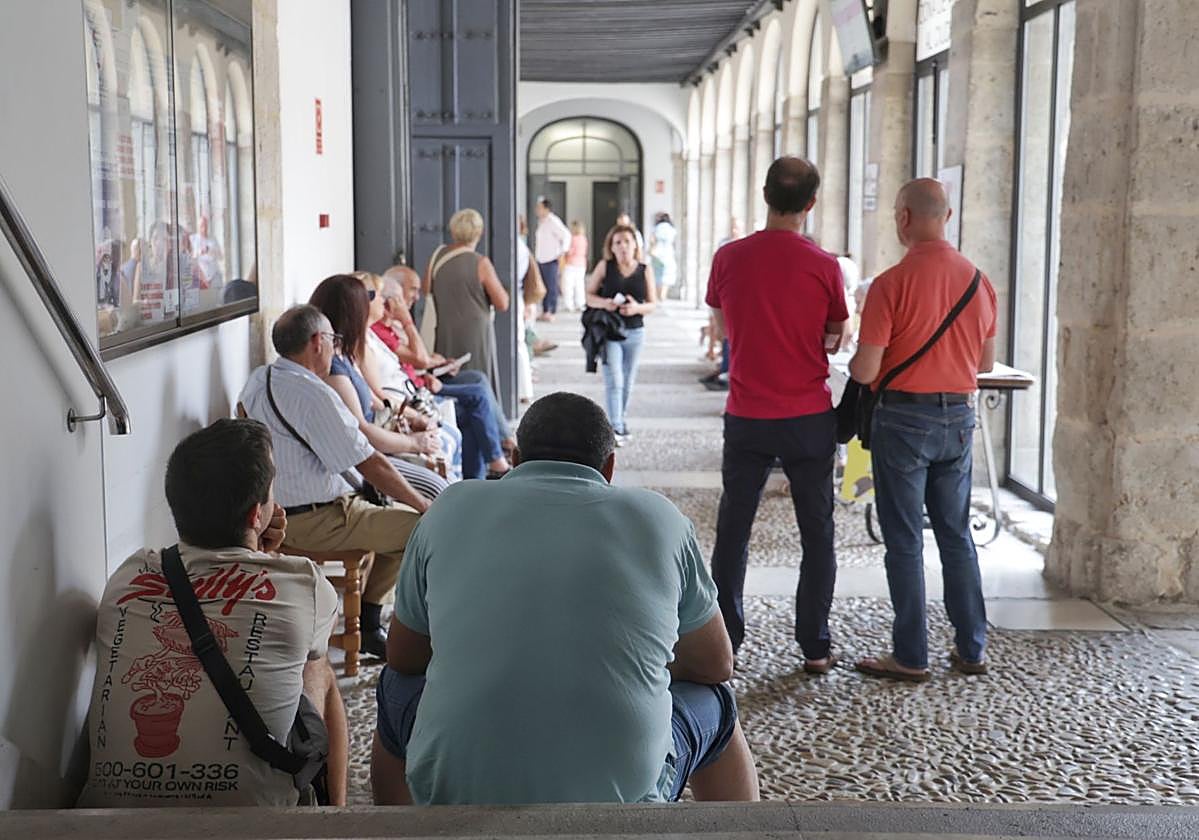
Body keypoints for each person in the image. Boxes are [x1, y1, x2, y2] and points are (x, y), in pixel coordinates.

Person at [371, 392, 760, 805]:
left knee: (395, 688)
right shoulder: (659, 517)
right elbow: (716, 664)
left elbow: (403, 657)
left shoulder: (449, 507)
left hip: (455, 790)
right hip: (625, 798)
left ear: (516, 459)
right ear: (609, 467)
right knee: (715, 703)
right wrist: (641, 659)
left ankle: (405, 828)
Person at [77, 418, 348, 807]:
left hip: (109, 818)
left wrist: (256, 555)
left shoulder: (128, 574)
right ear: (257, 514)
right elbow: (298, 632)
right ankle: (336, 821)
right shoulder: (304, 582)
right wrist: (266, 558)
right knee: (317, 666)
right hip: (249, 821)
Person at [849, 178, 997, 682]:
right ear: (948, 217)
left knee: (905, 540)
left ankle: (911, 655)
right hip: (958, 417)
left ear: (905, 218)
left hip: (904, 421)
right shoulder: (980, 281)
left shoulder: (890, 284)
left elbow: (866, 372)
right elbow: (986, 361)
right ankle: (971, 648)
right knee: (956, 536)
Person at [705, 157, 849, 673]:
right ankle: (814, 645)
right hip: (808, 414)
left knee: (734, 529)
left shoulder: (728, 258)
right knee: (817, 532)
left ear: (764, 194)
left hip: (746, 411)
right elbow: (836, 337)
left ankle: (726, 643)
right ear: (812, 204)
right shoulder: (825, 264)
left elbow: (721, 329)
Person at [239, 304, 428, 659]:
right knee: (422, 528)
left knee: (402, 519)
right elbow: (370, 462)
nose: (335, 347)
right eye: (333, 339)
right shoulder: (314, 394)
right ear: (317, 341)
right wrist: (423, 504)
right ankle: (376, 625)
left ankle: (372, 623)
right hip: (317, 519)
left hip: (275, 513)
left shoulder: (258, 379)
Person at [309, 274, 450, 500]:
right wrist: (414, 443)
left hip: (375, 448)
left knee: (442, 469)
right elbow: (362, 431)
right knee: (437, 489)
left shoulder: (343, 354)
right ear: (354, 313)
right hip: (365, 461)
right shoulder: (333, 369)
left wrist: (411, 419)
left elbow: (378, 401)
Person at [382, 264, 517, 460]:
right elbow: (417, 360)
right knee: (477, 397)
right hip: (419, 391)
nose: (416, 296)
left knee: (478, 378)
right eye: (413, 289)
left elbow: (416, 361)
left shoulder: (393, 324)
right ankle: (500, 453)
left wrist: (436, 363)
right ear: (394, 296)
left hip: (423, 381)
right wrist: (407, 322)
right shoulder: (388, 327)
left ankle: (500, 448)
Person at [423, 208, 510, 392]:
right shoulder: (480, 262)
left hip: (445, 329)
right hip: (475, 332)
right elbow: (502, 303)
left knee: (447, 374)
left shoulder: (437, 256)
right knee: (477, 377)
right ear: (479, 232)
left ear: (453, 231)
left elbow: (426, 290)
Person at [585, 224, 657, 444]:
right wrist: (605, 303)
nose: (623, 246)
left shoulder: (645, 269)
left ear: (635, 244)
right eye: (618, 242)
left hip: (635, 332)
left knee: (628, 380)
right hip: (610, 333)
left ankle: (620, 419)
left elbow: (653, 304)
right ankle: (615, 426)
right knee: (614, 379)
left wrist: (636, 308)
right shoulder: (605, 267)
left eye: (627, 241)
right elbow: (588, 296)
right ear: (612, 247)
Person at [533, 197, 571, 320]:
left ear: (546, 209)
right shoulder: (541, 222)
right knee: (543, 286)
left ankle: (552, 311)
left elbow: (566, 235)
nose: (537, 210)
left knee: (551, 286)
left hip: (551, 259)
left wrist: (562, 252)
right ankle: (545, 311)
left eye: (539, 207)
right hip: (541, 259)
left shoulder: (553, 221)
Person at [649, 212, 678, 298]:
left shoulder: (656, 228)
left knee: (657, 275)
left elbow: (652, 241)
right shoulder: (672, 230)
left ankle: (658, 295)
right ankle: (663, 295)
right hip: (668, 255)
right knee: (666, 275)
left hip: (657, 254)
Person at [562, 220, 589, 312]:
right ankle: (580, 303)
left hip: (571, 264)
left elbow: (569, 251)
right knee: (579, 285)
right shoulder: (584, 239)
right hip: (581, 264)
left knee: (568, 285)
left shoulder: (572, 238)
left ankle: (569, 305)